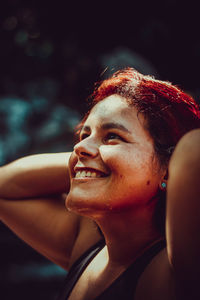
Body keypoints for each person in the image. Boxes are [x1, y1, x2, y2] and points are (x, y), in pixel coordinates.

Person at [0, 67, 200, 300]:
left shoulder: (176, 272)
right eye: (84, 135)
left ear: (170, 168)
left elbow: (193, 149)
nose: (78, 147)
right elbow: (5, 187)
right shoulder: (88, 244)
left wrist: (98, 163)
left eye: (113, 136)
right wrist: (88, 163)